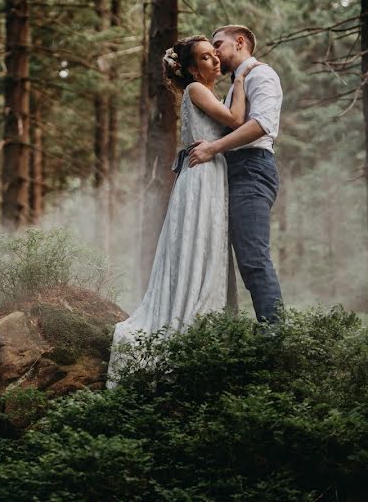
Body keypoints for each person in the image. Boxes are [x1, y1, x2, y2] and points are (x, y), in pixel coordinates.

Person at [108, 35, 257, 382]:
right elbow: (236, 119)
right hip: (202, 176)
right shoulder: (195, 90)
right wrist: (241, 79)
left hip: (207, 173)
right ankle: (190, 322)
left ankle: (205, 323)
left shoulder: (204, 92)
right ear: (191, 69)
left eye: (214, 55)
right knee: (199, 244)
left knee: (206, 247)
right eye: (206, 58)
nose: (215, 61)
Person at [188, 25, 283, 324]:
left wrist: (214, 148)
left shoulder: (261, 74)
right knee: (232, 260)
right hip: (235, 171)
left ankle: (275, 337)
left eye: (218, 44)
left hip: (252, 169)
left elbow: (261, 124)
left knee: (253, 259)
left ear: (239, 42)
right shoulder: (235, 84)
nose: (214, 51)